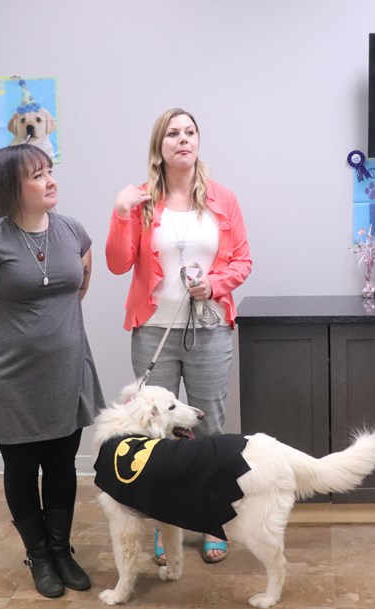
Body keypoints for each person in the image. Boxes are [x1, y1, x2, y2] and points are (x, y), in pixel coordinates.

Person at [0, 144, 105, 598]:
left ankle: (62, 550)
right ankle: (38, 555)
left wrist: (52, 336)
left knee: (62, 465)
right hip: (12, 380)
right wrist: (19, 338)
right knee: (21, 469)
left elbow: (78, 288)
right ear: (11, 188)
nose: (50, 180)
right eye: (37, 175)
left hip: (67, 372)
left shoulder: (74, 232)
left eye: (49, 171)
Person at [106, 107, 252, 564]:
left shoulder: (223, 200)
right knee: (156, 436)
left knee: (208, 429)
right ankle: (164, 526)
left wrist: (215, 285)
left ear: (198, 142)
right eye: (173, 133)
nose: (183, 139)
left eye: (190, 132)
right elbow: (116, 262)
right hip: (153, 333)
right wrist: (120, 212)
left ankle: (213, 522)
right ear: (160, 146)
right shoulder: (142, 201)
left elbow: (243, 262)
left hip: (208, 329)